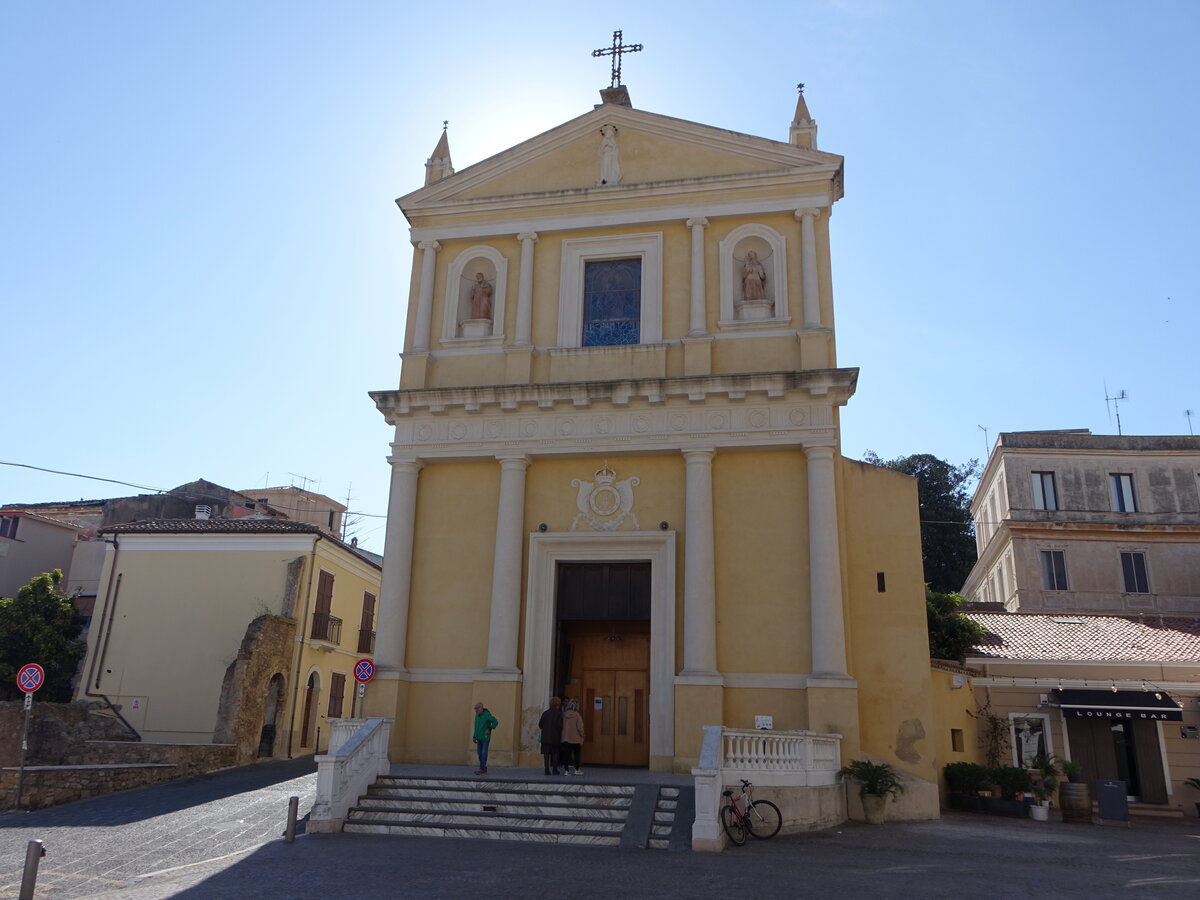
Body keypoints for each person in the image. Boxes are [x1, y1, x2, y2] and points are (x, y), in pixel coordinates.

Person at [538, 696, 564, 776]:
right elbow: (560, 726)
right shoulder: (559, 714)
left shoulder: (545, 713)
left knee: (546, 754)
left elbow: (540, 724)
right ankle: (555, 770)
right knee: (555, 754)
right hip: (555, 738)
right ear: (557, 704)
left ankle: (546, 769)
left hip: (545, 737)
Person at [472, 701, 498, 775]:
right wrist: (474, 736)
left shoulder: (487, 715)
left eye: (476, 708)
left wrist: (489, 728)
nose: (475, 710)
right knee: (479, 753)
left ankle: (482, 769)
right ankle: (483, 768)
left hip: (485, 738)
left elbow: (495, 721)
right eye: (475, 709)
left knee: (483, 753)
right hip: (479, 738)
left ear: (481, 708)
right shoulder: (477, 716)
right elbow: (476, 727)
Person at [560, 698, 586, 775]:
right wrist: (582, 734)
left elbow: (562, 725)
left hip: (566, 738)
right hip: (576, 739)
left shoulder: (564, 714)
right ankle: (576, 769)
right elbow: (580, 727)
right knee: (576, 755)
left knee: (566, 755)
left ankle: (566, 771)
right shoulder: (577, 715)